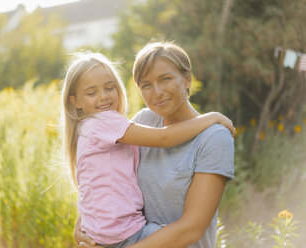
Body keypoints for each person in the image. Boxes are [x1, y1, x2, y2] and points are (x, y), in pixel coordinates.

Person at [62, 51, 236, 248]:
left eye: (165, 79)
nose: (157, 92)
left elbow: (191, 229)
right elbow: (103, 179)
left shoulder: (213, 138)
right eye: (146, 85)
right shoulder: (144, 121)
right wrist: (85, 224)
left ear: (187, 79)